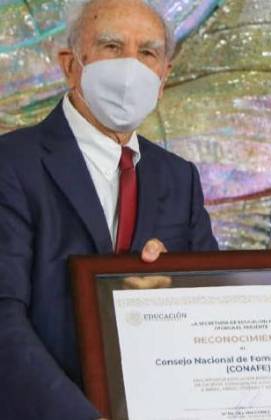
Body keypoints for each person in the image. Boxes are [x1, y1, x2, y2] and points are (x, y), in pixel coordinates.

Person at [0, 1, 217, 418]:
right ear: (71, 65)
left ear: (164, 76)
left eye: (147, 52)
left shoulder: (180, 178)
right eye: (112, 47)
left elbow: (215, 306)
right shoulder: (11, 164)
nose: (130, 66)